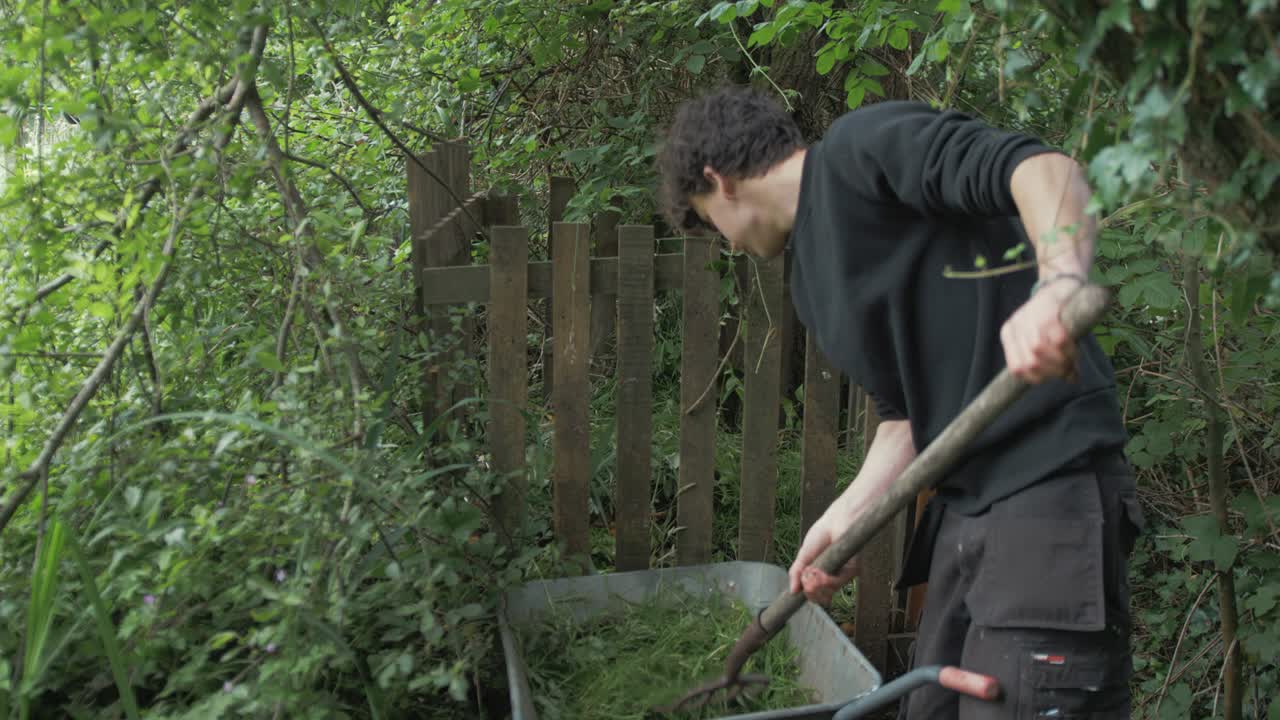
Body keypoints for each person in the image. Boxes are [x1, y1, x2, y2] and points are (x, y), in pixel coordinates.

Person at [656, 86, 1145, 719]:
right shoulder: (810, 281)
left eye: (707, 219)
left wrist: (1057, 286)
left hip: (1049, 496)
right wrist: (845, 515)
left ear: (718, 180)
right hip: (967, 516)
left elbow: (1045, 170)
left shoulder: (863, 150)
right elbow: (905, 420)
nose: (724, 242)